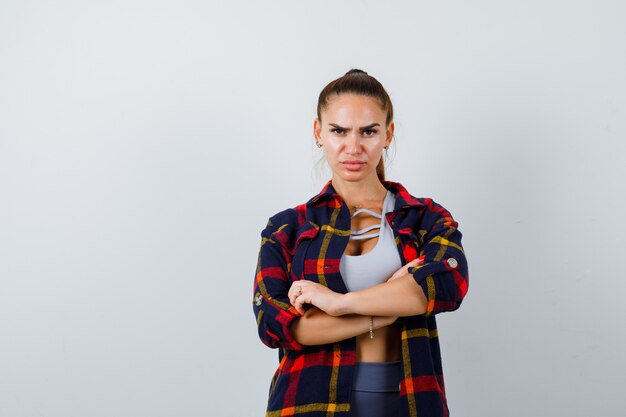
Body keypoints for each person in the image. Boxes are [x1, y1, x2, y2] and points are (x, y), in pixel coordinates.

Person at [252, 69, 468, 417]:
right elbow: (279, 326)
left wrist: (340, 304)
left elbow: (447, 284)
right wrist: (388, 309)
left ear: (388, 134)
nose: (353, 147)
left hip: (411, 401)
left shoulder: (425, 218)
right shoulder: (286, 229)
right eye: (339, 131)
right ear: (318, 133)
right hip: (307, 403)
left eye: (368, 131)